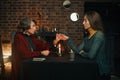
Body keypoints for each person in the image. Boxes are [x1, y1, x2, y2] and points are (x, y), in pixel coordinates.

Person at [63, 11, 111, 80]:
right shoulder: (87, 38)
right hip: (92, 70)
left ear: (92, 21)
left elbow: (91, 55)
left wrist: (82, 53)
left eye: (85, 20)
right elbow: (77, 51)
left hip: (101, 71)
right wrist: (68, 39)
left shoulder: (99, 35)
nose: (83, 23)